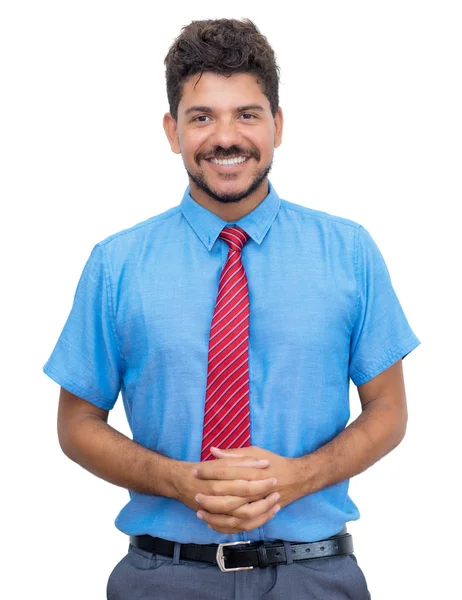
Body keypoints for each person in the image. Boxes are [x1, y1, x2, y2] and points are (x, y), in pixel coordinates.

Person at [44, 17, 420, 599]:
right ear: (172, 131)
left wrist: (297, 479)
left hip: (314, 579)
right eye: (202, 117)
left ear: (277, 125)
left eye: (247, 114)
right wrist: (178, 481)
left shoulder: (349, 252)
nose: (226, 136)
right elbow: (76, 424)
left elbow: (389, 411)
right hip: (162, 580)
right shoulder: (116, 264)